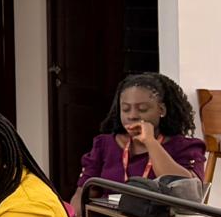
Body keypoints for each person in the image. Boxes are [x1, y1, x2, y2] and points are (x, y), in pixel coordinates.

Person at [75, 73, 206, 199]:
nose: (132, 116)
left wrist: (150, 142)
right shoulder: (104, 144)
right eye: (125, 109)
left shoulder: (185, 147)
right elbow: (83, 193)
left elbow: (186, 193)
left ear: (161, 110)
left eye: (142, 109)